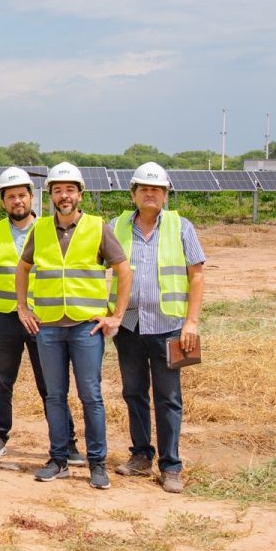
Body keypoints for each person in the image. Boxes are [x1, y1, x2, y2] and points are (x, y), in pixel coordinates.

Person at [16, 162, 131, 490]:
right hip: (49, 327)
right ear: (50, 195)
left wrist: (116, 315)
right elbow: (23, 268)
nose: (63, 196)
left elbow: (124, 270)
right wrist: (23, 308)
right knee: (54, 396)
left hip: (85, 327)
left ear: (80, 194)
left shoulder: (98, 227)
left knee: (90, 396)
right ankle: (58, 459)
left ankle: (97, 464)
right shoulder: (40, 229)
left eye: (69, 190)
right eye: (57, 190)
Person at [0, 167, 81, 462]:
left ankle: (66, 441)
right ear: (3, 201)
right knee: (1, 381)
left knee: (51, 384)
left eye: (22, 195)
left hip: (42, 319)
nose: (17, 201)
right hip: (4, 318)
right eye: (11, 196)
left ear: (32, 197)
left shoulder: (49, 230)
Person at [110, 162, 206, 494]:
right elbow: (95, 268)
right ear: (133, 194)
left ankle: (171, 466)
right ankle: (140, 456)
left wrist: (191, 322)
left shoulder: (182, 227)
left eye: (156, 189)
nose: (149, 194)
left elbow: (197, 276)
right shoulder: (116, 226)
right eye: (143, 189)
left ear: (165, 195)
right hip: (129, 326)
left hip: (169, 327)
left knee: (168, 398)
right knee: (133, 393)